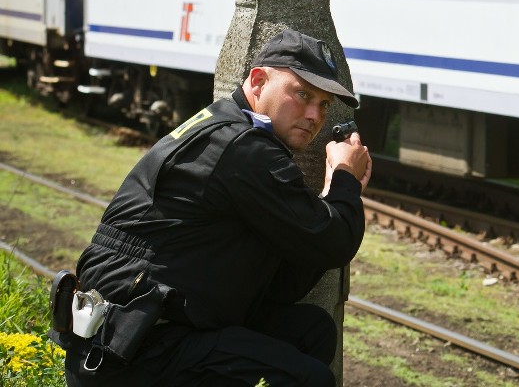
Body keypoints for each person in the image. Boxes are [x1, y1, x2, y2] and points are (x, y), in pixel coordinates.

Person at [53, 29, 371, 386]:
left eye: (324, 104)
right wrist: (344, 177)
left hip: (153, 324)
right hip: (130, 350)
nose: (314, 115)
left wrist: (328, 199)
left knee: (312, 331)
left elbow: (285, 284)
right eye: (303, 94)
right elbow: (333, 242)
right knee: (309, 378)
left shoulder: (228, 128)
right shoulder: (243, 148)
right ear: (258, 80)